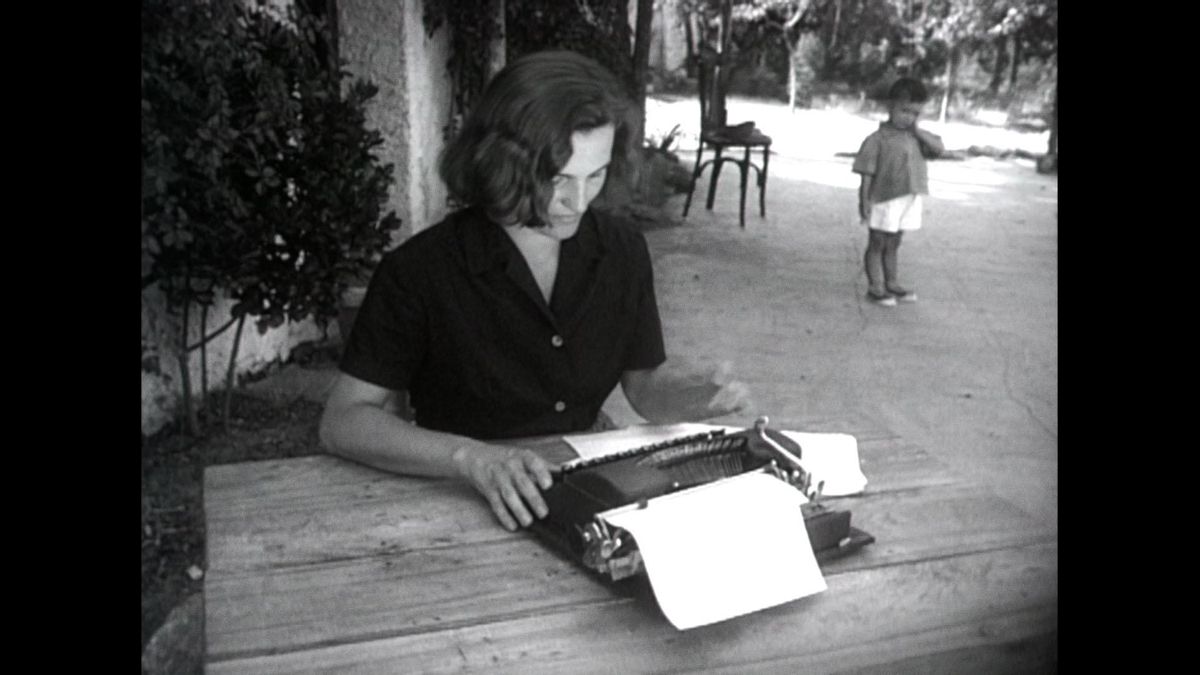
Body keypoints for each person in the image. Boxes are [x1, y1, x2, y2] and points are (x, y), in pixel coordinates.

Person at [320, 50, 752, 532]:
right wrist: (471, 459)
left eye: (596, 174)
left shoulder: (622, 252)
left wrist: (693, 398)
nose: (579, 201)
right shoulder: (421, 271)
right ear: (501, 163)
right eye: (556, 179)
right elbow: (343, 421)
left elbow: (642, 386)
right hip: (462, 496)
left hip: (583, 486)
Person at [852, 77, 944, 306]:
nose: (908, 117)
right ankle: (875, 287)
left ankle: (891, 282)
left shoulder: (917, 138)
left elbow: (939, 149)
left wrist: (918, 131)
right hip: (883, 199)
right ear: (890, 107)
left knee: (894, 242)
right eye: (904, 111)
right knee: (877, 242)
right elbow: (866, 174)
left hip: (909, 197)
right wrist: (863, 200)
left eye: (915, 113)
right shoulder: (877, 139)